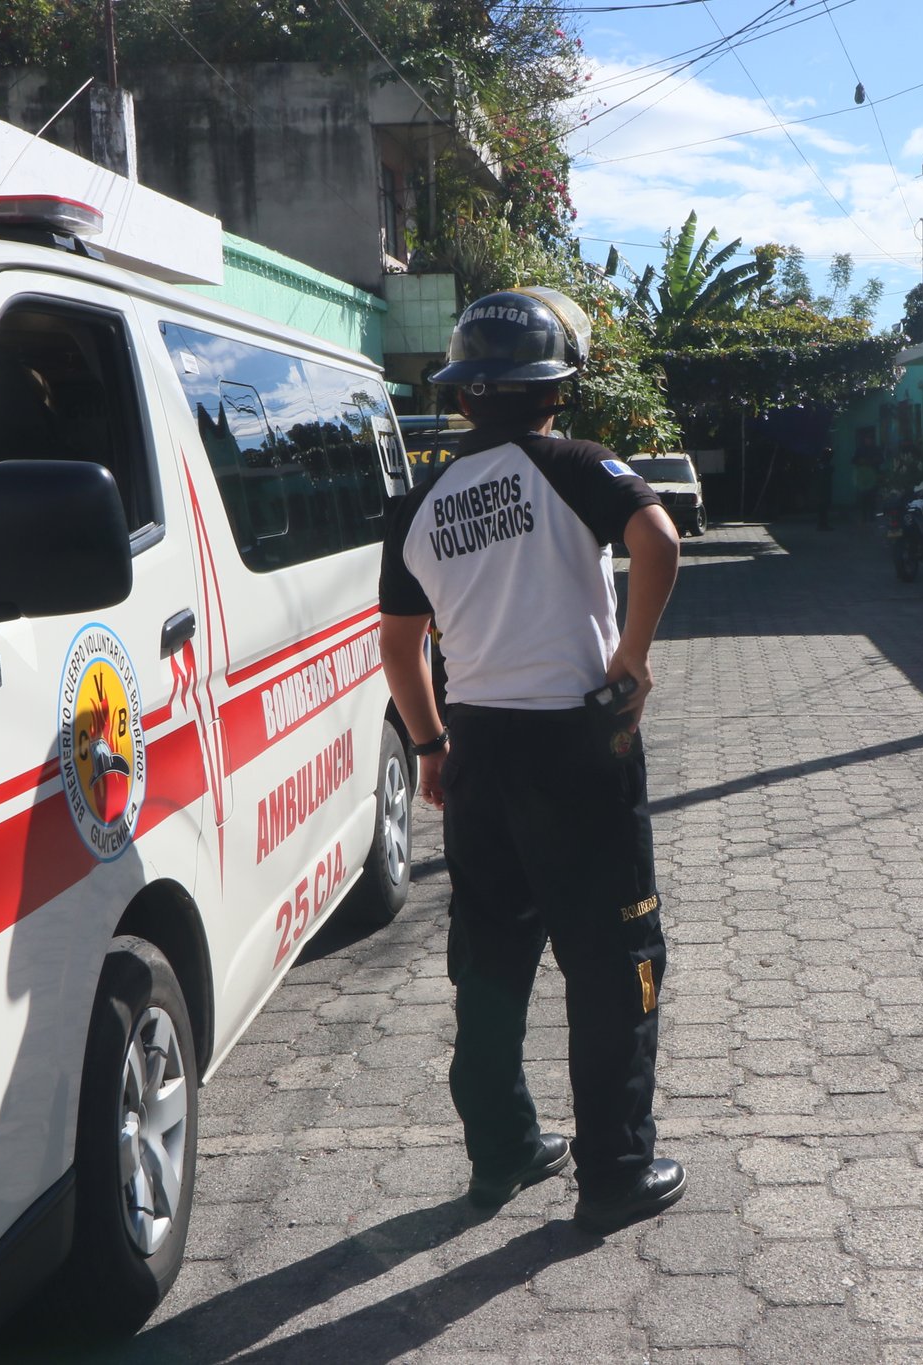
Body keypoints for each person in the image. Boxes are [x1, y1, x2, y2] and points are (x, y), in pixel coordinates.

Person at [377, 286, 687, 1232]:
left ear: (465, 394)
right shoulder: (578, 466)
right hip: (575, 747)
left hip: (477, 745)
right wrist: (630, 657)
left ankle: (505, 1150)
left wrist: (430, 743)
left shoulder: (421, 501)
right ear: (556, 387)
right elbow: (658, 537)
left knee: (491, 956)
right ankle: (615, 1171)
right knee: (611, 958)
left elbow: (398, 642)